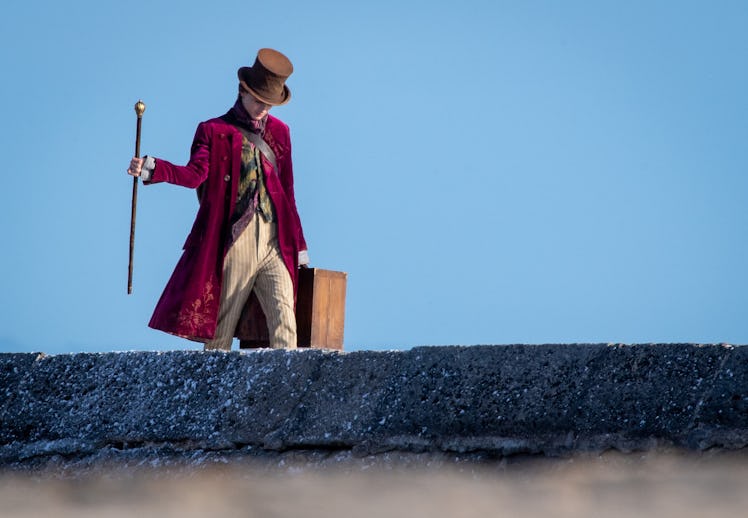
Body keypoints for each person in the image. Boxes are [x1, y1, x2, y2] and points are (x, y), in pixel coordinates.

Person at [127, 48, 309, 351]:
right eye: (259, 100)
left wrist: (299, 244)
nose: (264, 107)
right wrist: (152, 167)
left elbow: (288, 193)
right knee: (222, 326)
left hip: (276, 239)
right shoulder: (213, 130)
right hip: (236, 238)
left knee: (284, 320)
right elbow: (194, 175)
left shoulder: (281, 133)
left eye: (270, 103)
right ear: (242, 91)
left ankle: (283, 392)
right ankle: (211, 391)